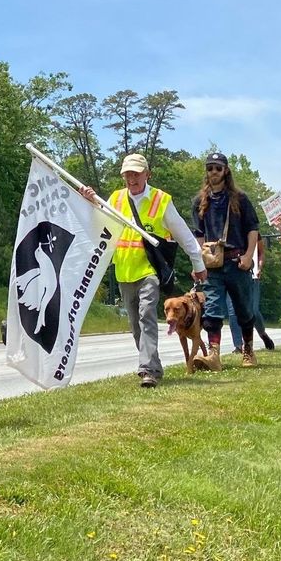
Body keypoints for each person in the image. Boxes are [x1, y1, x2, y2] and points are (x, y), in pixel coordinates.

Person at [80, 153, 206, 388]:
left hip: (150, 271)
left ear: (147, 174)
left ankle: (148, 370)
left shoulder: (161, 200)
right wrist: (91, 203)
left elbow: (183, 234)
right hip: (124, 271)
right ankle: (153, 365)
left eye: (136, 174)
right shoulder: (116, 198)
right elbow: (100, 225)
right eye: (127, 174)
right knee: (135, 325)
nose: (131, 179)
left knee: (146, 314)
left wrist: (198, 264)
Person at [191, 152, 261, 366]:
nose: (213, 172)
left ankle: (248, 350)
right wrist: (198, 262)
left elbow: (253, 229)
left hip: (237, 261)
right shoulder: (199, 201)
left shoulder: (240, 199)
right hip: (212, 264)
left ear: (226, 171)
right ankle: (214, 355)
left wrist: (248, 256)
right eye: (210, 168)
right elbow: (198, 234)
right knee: (212, 309)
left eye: (218, 168)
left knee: (243, 310)